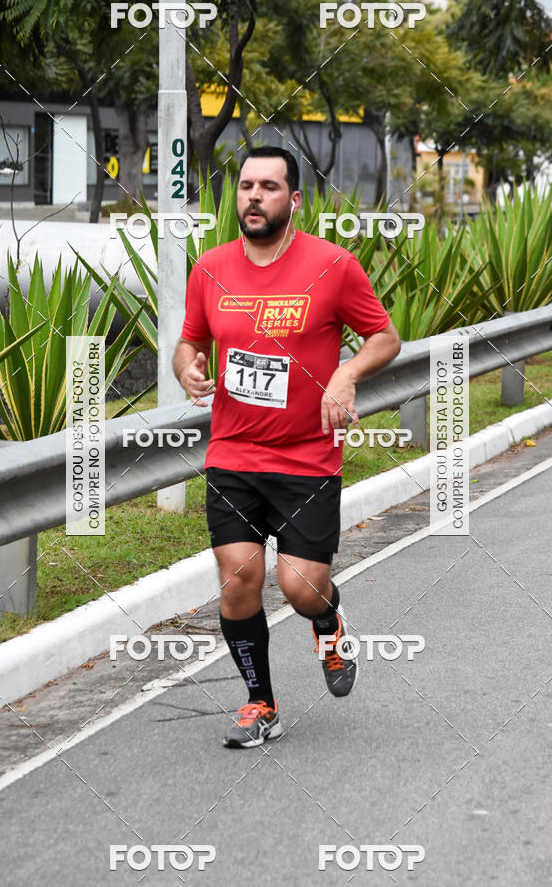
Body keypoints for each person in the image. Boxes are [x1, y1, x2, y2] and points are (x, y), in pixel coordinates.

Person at [173, 146, 400, 748]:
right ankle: (259, 703)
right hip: (234, 455)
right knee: (238, 580)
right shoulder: (211, 267)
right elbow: (190, 341)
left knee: (300, 586)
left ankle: (328, 623)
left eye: (269, 187)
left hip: (307, 460)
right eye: (246, 186)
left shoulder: (333, 266)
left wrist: (347, 374)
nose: (253, 196)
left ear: (293, 199)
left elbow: (385, 337)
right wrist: (187, 369)